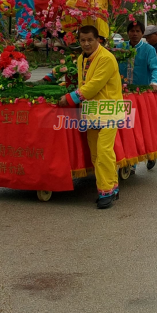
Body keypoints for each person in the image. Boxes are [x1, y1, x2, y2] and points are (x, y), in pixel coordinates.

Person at [56, 26, 124, 208]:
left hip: (110, 111)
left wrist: (70, 98)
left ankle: (106, 192)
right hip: (91, 111)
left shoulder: (106, 58)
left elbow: (93, 85)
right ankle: (112, 188)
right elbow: (82, 83)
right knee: (96, 154)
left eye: (90, 40)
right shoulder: (81, 59)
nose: (86, 44)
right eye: (82, 40)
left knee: (103, 152)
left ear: (98, 40)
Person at [119, 20, 157, 170]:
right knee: (127, 129)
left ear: (142, 33)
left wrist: (154, 82)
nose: (134, 34)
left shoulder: (148, 49)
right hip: (122, 95)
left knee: (143, 127)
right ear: (128, 32)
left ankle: (151, 153)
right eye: (132, 31)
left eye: (137, 31)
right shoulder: (120, 48)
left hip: (141, 95)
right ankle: (131, 162)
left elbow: (155, 68)